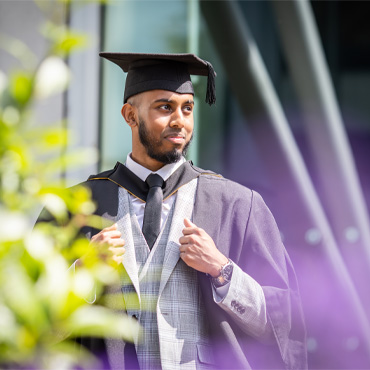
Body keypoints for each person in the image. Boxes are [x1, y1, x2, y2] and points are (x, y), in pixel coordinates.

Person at [75, 52, 307, 370]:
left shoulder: (238, 206)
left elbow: (285, 322)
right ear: (130, 115)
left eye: (187, 108)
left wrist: (223, 272)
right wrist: (81, 273)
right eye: (165, 107)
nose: (180, 121)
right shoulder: (78, 207)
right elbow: (27, 320)